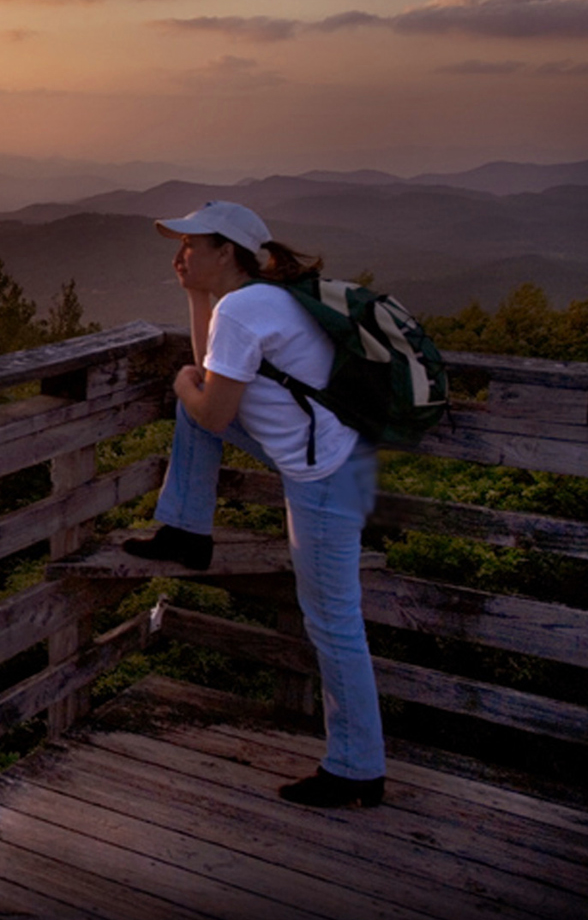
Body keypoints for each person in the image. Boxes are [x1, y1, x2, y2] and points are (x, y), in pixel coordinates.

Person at [126, 199, 386, 809]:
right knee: (195, 411)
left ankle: (357, 769)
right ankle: (186, 530)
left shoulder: (243, 311)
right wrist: (194, 300)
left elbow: (211, 405)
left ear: (227, 252)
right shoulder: (262, 297)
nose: (183, 253)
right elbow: (214, 380)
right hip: (339, 454)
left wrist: (179, 384)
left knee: (334, 622)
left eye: (194, 245)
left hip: (324, 474)